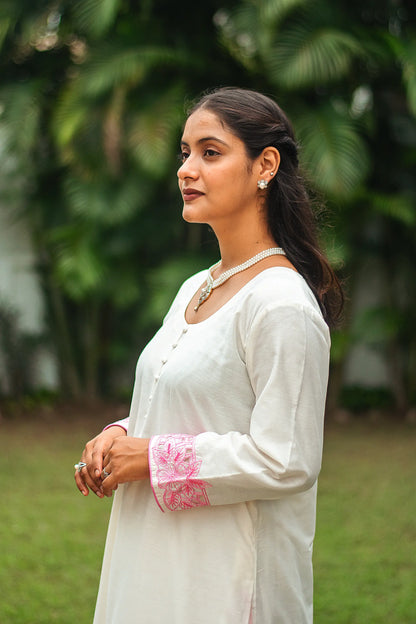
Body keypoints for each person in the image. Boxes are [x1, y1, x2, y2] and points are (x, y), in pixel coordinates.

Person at [74, 87, 343, 624]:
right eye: (184, 152)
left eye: (210, 152)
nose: (186, 169)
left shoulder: (281, 304)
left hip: (228, 576)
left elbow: (287, 459)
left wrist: (151, 459)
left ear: (265, 165)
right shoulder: (197, 285)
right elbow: (194, 399)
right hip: (151, 552)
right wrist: (121, 435)